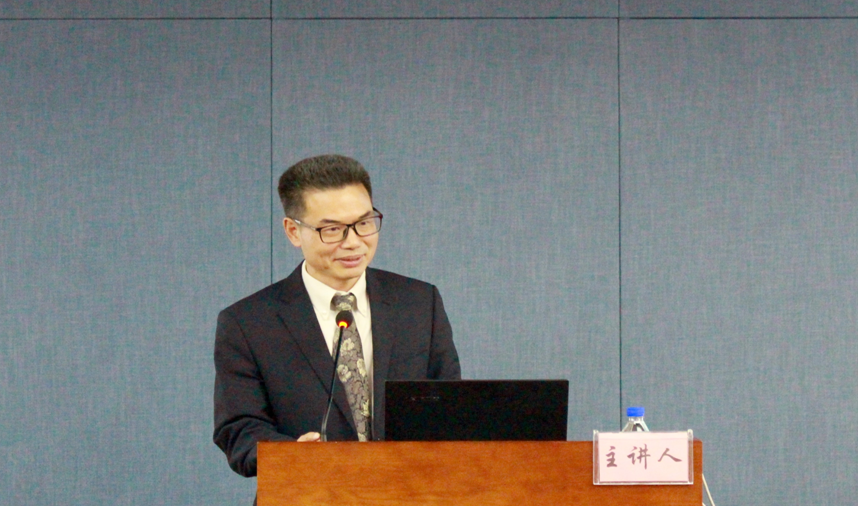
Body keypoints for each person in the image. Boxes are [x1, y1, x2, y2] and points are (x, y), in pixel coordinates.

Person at [213, 154, 461, 478]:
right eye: (332, 229)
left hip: (409, 490)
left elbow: (451, 408)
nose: (353, 242)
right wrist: (290, 454)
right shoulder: (248, 323)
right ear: (293, 231)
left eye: (364, 223)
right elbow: (238, 428)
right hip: (309, 491)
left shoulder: (418, 303)